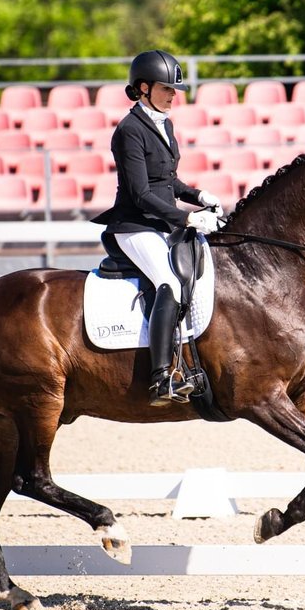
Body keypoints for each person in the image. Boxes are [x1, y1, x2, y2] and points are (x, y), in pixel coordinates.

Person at [90, 50, 225, 406]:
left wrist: (199, 195)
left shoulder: (164, 123)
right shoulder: (129, 131)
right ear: (144, 88)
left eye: (174, 89)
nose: (173, 95)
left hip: (159, 223)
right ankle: (162, 376)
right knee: (168, 281)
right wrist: (186, 217)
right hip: (134, 224)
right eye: (167, 88)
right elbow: (141, 192)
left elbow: (169, 181)